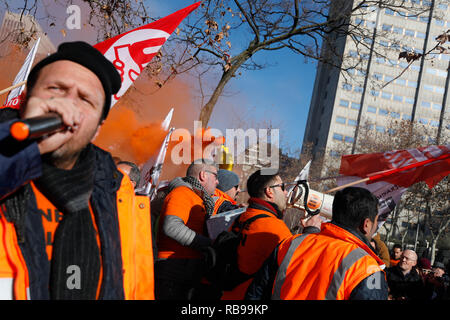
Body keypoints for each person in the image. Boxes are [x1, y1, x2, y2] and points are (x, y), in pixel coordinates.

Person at [0, 41, 154, 300]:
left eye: (85, 100)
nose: (66, 106)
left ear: (97, 128)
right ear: (26, 100)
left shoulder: (120, 193)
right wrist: (20, 146)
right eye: (55, 89)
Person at [246, 186, 388, 300]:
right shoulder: (368, 268)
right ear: (366, 224)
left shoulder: (291, 244)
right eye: (376, 221)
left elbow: (255, 294)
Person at [220, 169, 322, 300]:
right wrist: (311, 232)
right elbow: (299, 266)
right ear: (269, 191)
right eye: (282, 187)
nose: (286, 192)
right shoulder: (274, 228)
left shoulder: (244, 215)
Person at [155, 159, 219, 300]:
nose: (217, 182)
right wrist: (208, 243)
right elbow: (171, 227)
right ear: (203, 175)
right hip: (173, 269)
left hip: (182, 268)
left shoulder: (195, 196)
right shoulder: (182, 193)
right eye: (216, 176)